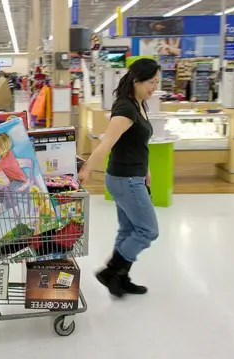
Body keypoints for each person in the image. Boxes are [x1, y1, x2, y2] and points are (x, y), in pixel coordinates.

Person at [78, 58, 161, 298]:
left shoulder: (139, 103)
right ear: (137, 80)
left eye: (157, 82)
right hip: (125, 180)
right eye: (152, 82)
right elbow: (106, 144)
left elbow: (134, 143)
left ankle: (121, 279)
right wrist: (87, 170)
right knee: (147, 230)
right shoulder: (126, 108)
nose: (154, 87)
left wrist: (146, 169)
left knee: (128, 230)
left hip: (133, 175)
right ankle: (112, 271)